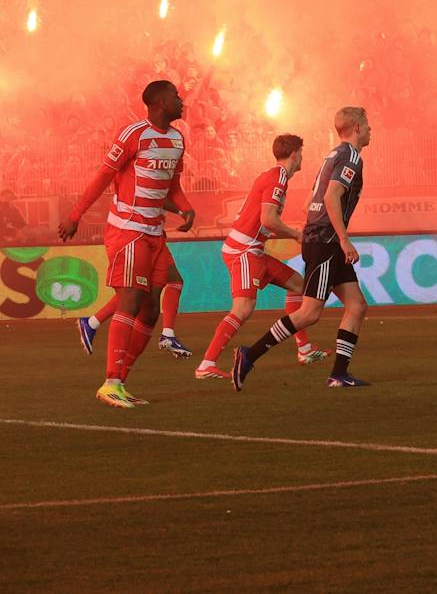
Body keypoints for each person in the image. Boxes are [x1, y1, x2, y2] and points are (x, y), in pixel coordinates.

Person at [58, 79, 194, 408]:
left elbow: (171, 186)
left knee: (150, 309)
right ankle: (111, 381)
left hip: (154, 232)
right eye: (176, 96)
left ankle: (121, 381)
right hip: (127, 229)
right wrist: (75, 215)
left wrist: (185, 207)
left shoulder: (177, 140)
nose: (181, 100)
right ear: (161, 103)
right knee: (131, 300)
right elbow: (103, 176)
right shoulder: (133, 134)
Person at [234, 107, 373, 390]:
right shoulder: (350, 157)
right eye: (368, 125)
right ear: (357, 128)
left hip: (321, 238)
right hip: (326, 241)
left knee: (357, 305)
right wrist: (343, 239)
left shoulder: (332, 156)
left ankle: (339, 374)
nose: (371, 130)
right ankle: (250, 354)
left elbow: (311, 199)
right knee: (309, 312)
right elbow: (332, 196)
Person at [196, 135, 323, 379]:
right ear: (294, 154)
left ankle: (304, 350)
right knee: (243, 308)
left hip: (253, 249)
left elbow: (263, 219)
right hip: (244, 251)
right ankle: (206, 363)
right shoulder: (278, 177)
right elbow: (268, 219)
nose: (302, 159)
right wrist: (296, 235)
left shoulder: (272, 175)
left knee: (298, 284)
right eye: (302, 153)